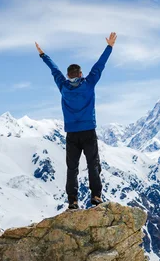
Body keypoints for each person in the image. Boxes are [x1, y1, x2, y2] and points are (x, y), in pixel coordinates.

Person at [35, 32, 117, 209]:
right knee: (93, 165)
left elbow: (53, 69)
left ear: (68, 75)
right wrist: (109, 46)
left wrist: (43, 55)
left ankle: (73, 200)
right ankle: (96, 196)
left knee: (72, 168)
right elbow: (99, 65)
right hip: (88, 131)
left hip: (72, 133)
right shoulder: (88, 83)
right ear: (80, 74)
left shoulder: (63, 86)